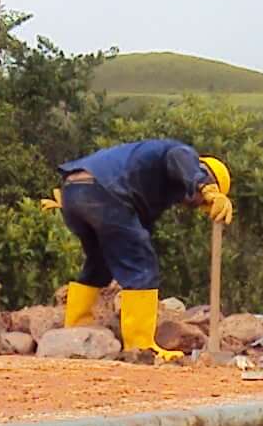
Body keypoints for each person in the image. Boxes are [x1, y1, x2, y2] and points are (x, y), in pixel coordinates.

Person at [55, 138, 233, 360]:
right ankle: (141, 347)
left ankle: (76, 330)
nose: (198, 205)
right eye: (201, 200)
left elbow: (137, 227)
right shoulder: (184, 155)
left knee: (99, 262)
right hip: (104, 190)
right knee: (142, 265)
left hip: (73, 191)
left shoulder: (158, 189)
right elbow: (178, 157)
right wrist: (206, 186)